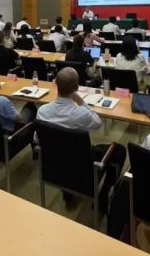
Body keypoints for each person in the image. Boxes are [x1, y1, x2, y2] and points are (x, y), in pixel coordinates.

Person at [36, 67, 126, 210]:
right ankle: (103, 198)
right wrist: (82, 102)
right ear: (77, 88)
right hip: (83, 171)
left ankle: (67, 191)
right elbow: (97, 123)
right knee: (119, 150)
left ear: (55, 84)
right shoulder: (80, 113)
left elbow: (37, 139)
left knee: (64, 148)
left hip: (54, 167)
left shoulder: (42, 111)